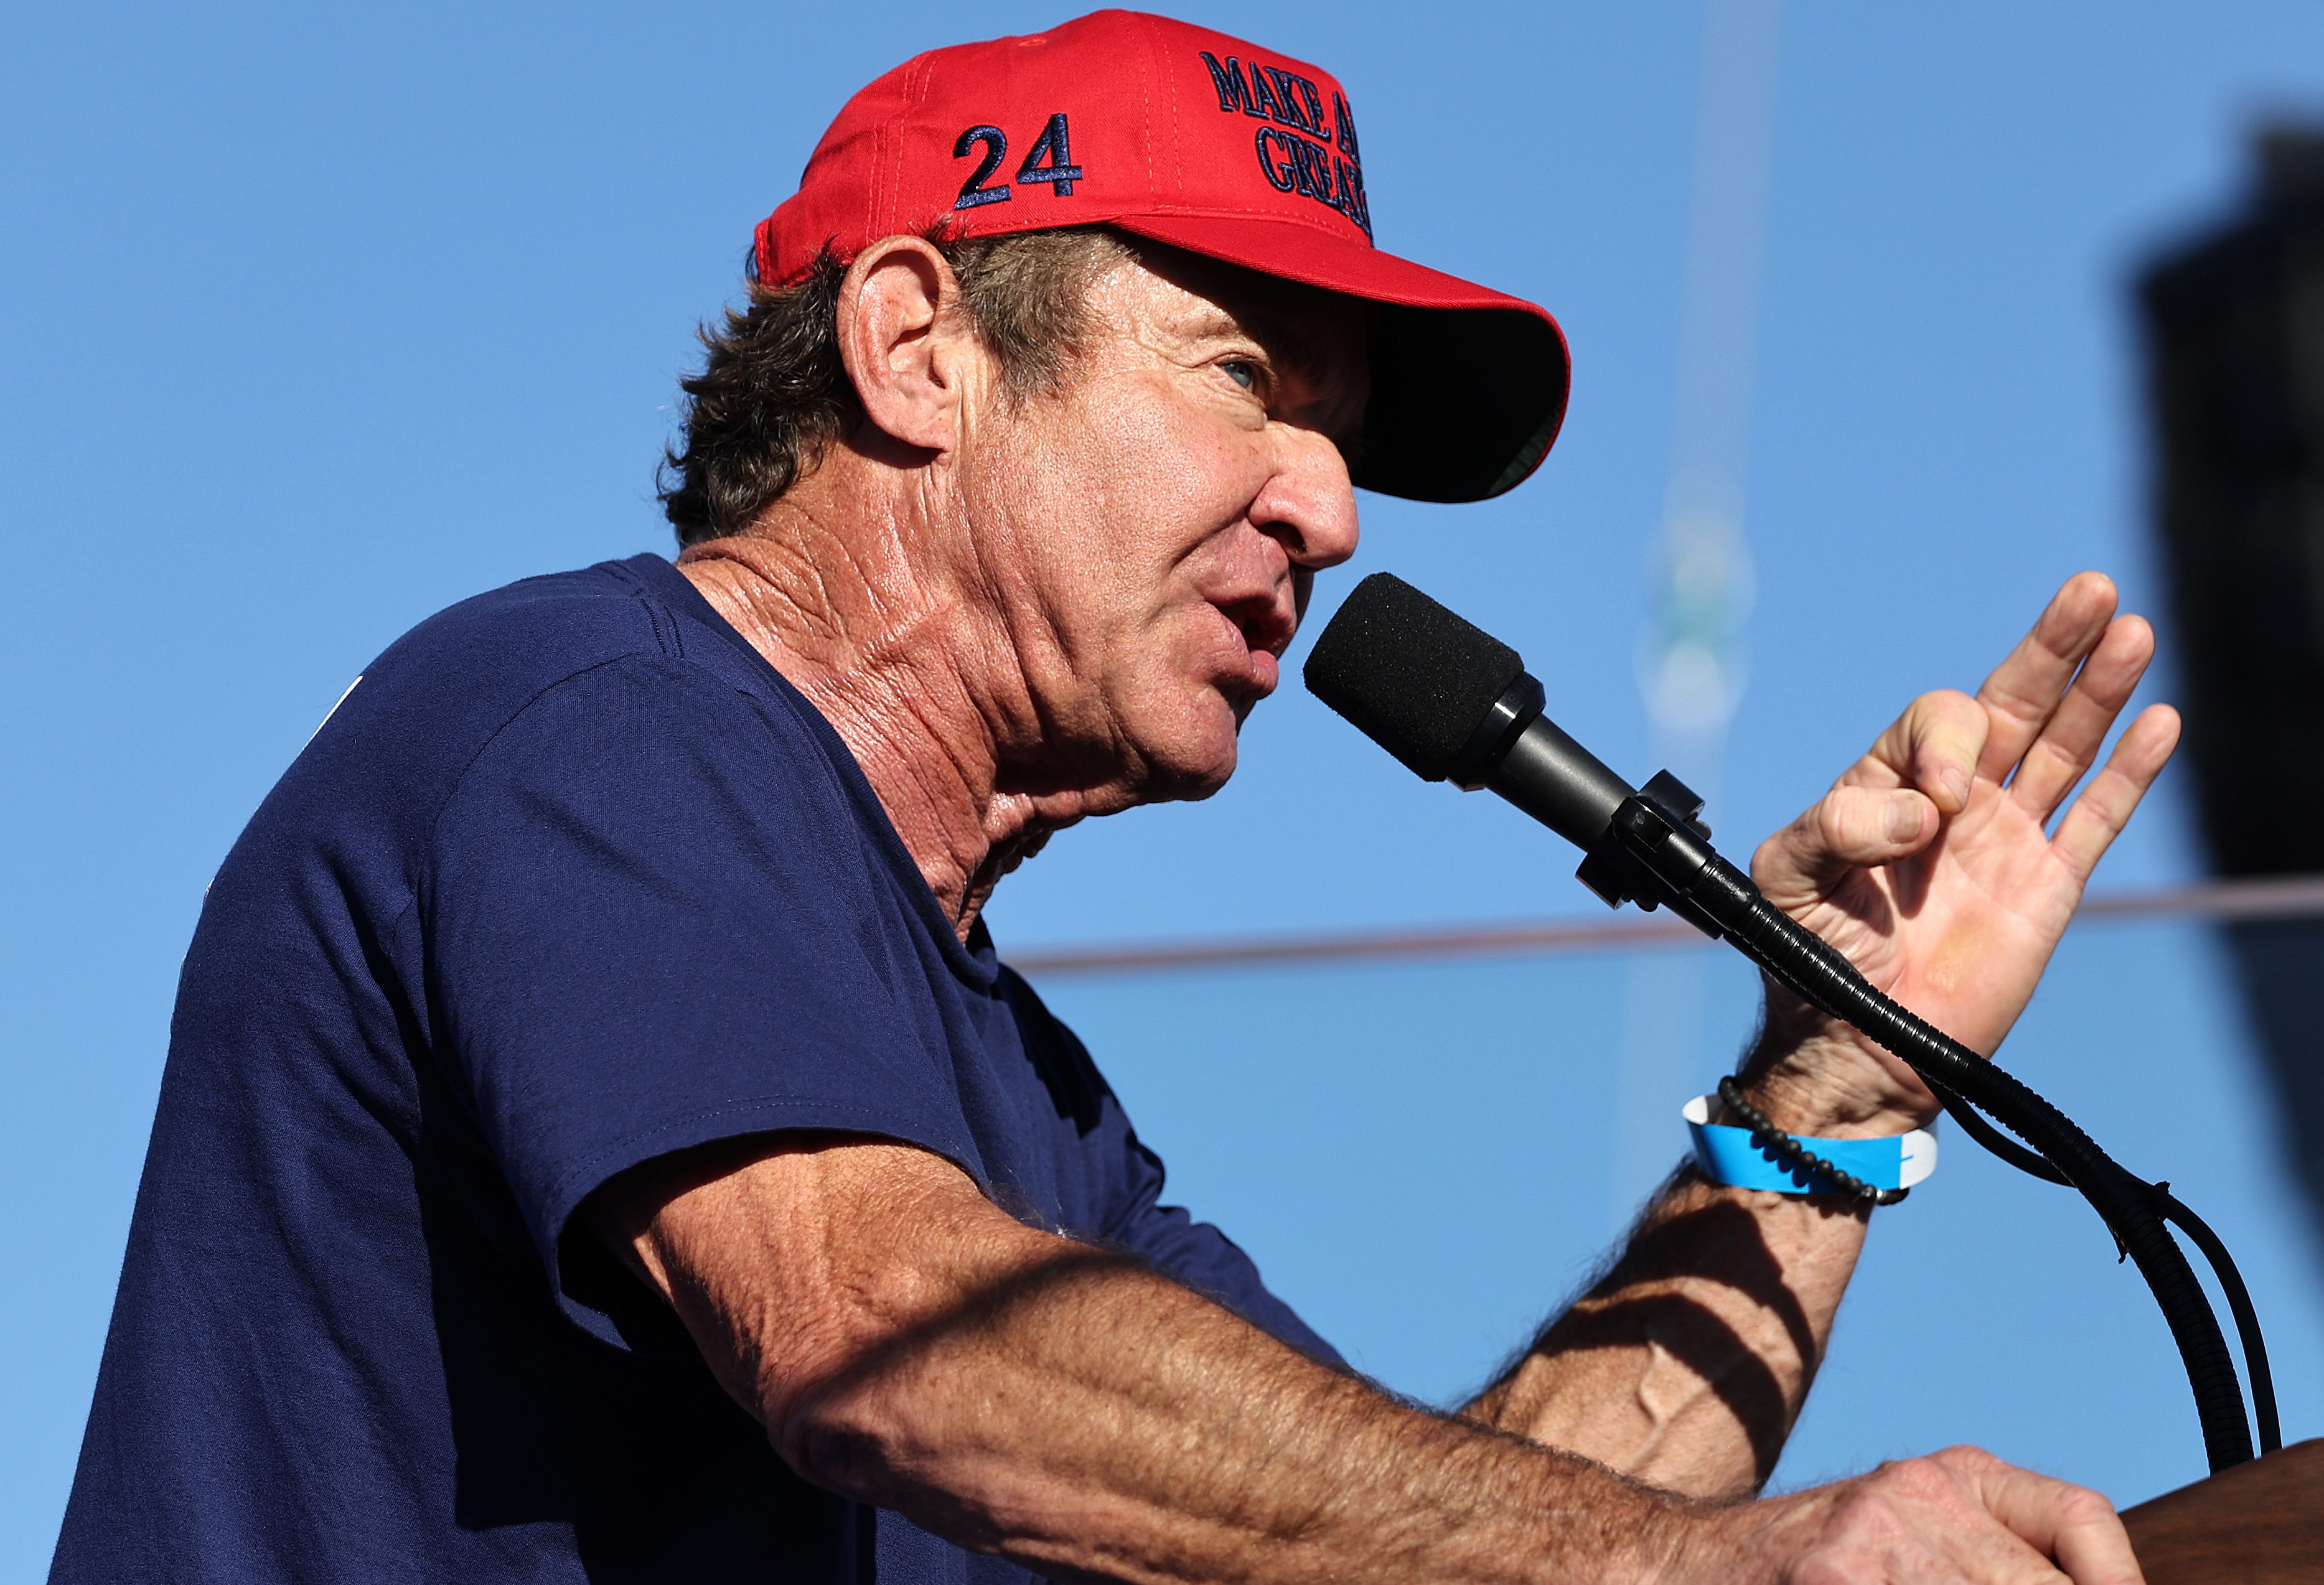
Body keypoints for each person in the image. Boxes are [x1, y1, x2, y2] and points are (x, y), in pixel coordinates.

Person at [51, 11, 2180, 1584]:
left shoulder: (1017, 1097)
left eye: (1340, 434)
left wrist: (1830, 1090)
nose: (1332, 510)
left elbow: (1441, 1529)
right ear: (915, 349)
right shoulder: (592, 718)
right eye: (1249, 377)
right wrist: (1719, 1573)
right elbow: (887, 1336)